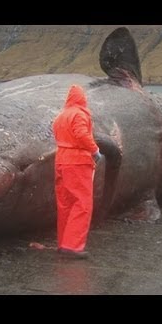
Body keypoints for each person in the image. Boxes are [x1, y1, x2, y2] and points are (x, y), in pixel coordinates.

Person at [52, 84, 102, 259]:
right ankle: (72, 246)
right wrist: (95, 150)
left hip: (61, 159)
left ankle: (63, 243)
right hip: (77, 161)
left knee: (65, 202)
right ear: (82, 99)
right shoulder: (79, 114)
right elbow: (80, 134)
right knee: (82, 203)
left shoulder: (61, 116)